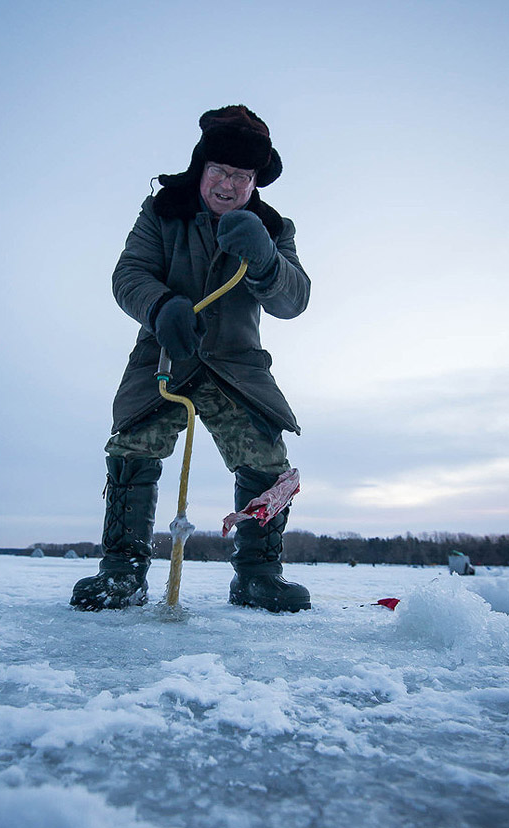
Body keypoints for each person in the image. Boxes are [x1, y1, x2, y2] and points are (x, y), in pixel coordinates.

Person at [71, 105, 311, 613]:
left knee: (266, 461)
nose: (229, 184)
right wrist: (160, 307)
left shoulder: (274, 227)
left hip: (238, 367)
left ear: (254, 182)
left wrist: (266, 259)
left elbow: (294, 302)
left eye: (242, 176)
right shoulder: (162, 211)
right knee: (132, 446)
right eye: (221, 171)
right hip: (164, 353)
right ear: (202, 168)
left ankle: (258, 576)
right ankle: (122, 572)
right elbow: (128, 274)